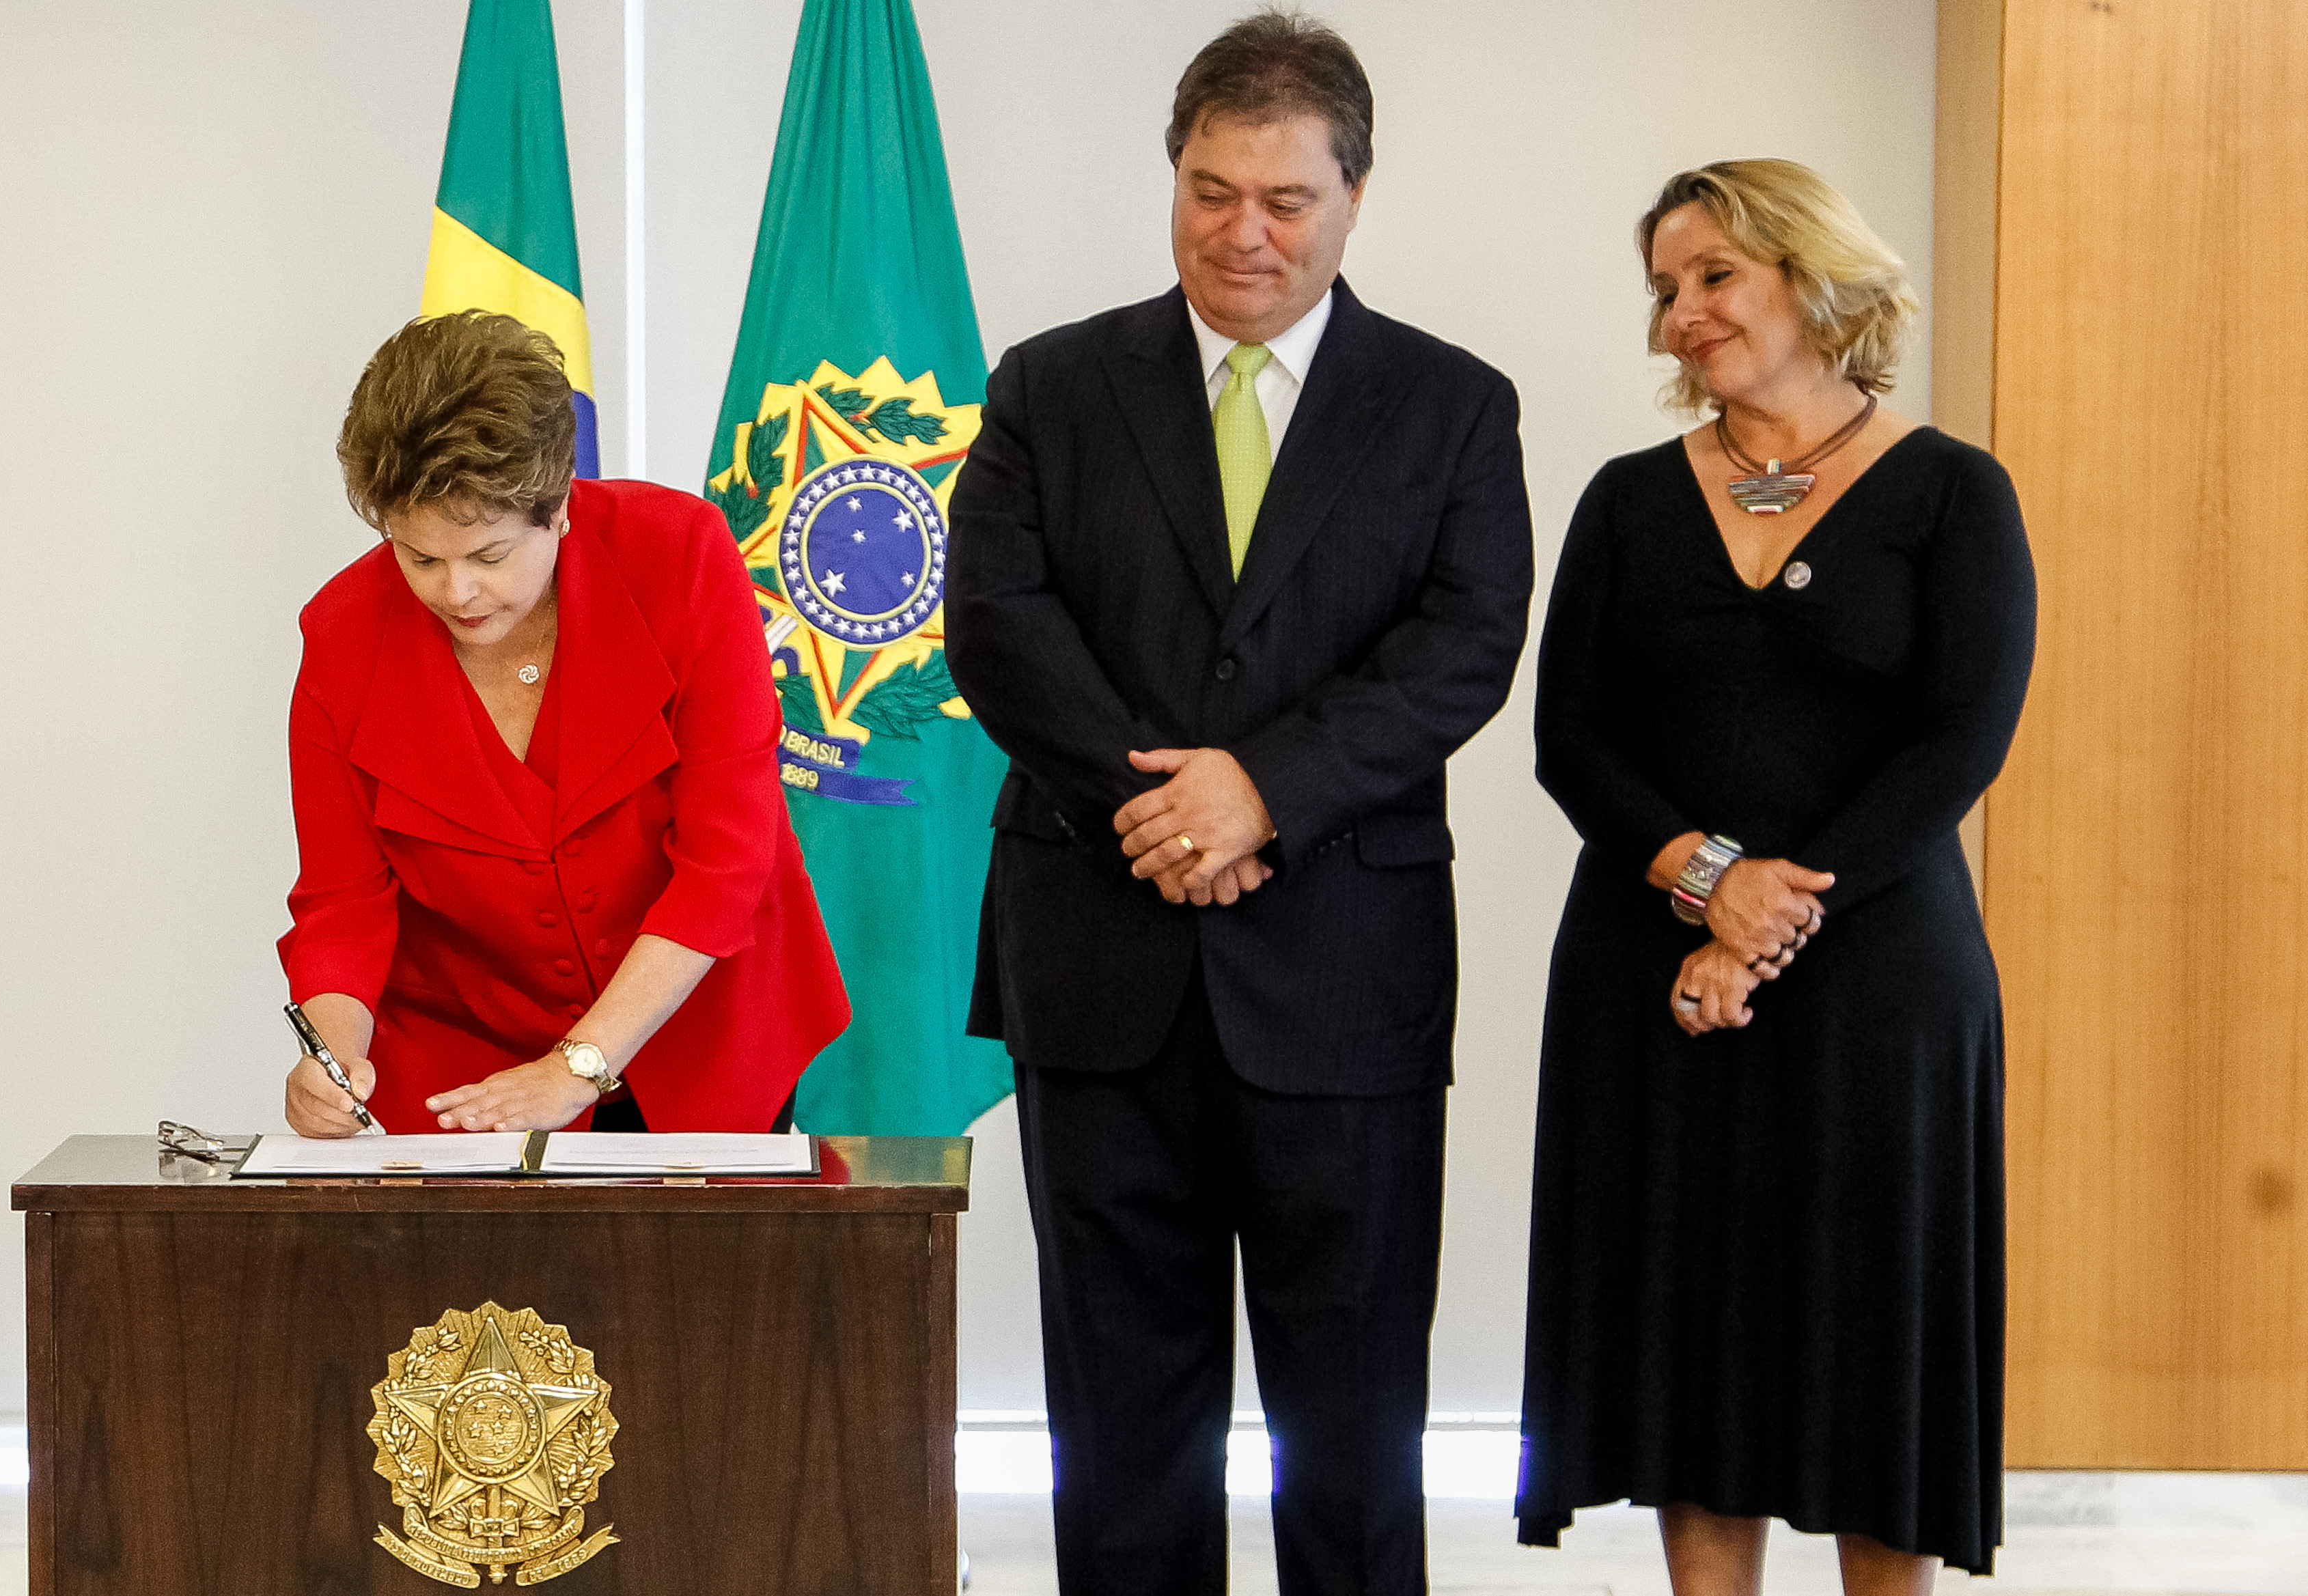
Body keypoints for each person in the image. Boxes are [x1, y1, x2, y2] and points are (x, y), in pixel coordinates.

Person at [943, 13, 1532, 1593]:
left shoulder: (1451, 407)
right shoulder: (1049, 385)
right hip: (1097, 958)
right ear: (1172, 181)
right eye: (1211, 192)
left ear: (1351, 198)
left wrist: (1257, 790)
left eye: (1283, 200)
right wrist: (1164, 804)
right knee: (1120, 1419)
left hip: (1343, 975)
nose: (1244, 233)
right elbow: (995, 619)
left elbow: (1462, 647)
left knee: (1348, 1425)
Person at [1515, 160, 2037, 1595]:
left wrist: (1758, 919)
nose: (1679, 316)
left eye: (1712, 278)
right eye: (1663, 289)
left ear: (1810, 277)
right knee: (1693, 1349)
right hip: (1651, 973)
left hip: (1880, 983)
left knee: (1878, 1346)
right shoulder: (1625, 503)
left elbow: (1960, 740)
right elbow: (1571, 738)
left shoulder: (1950, 493)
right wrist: (1703, 884)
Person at [279, 311, 848, 1138]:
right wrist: (329, 1057)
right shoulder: (340, 634)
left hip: (703, 1031)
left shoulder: (680, 555)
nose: (456, 593)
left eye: (490, 555)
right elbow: (344, 901)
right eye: (419, 557)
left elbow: (727, 861)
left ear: (560, 507)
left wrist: (577, 1065)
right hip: (468, 1066)